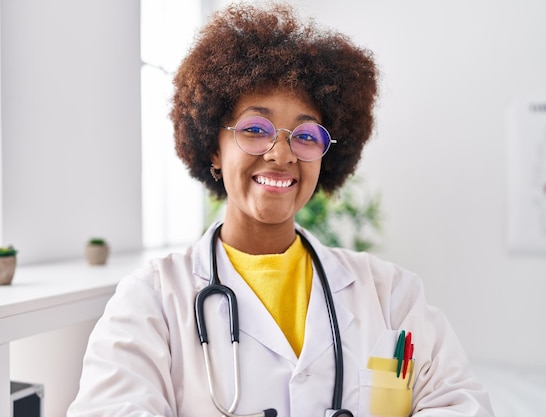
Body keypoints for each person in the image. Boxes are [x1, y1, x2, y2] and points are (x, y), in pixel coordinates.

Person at [68, 3, 494, 417]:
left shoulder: (391, 294)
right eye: (256, 129)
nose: (282, 153)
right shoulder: (152, 301)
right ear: (214, 149)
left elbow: (461, 402)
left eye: (306, 135)